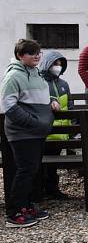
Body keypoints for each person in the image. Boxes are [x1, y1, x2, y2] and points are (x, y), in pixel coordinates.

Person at [0, 39, 55, 227]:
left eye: (38, 52)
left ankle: (26, 206)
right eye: (31, 53)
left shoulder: (37, 74)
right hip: (23, 133)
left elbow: (40, 98)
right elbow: (8, 105)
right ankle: (14, 213)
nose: (37, 56)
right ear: (19, 56)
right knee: (25, 170)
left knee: (32, 170)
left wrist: (52, 101)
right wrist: (32, 123)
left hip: (37, 131)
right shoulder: (13, 76)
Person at [37, 50, 72, 200]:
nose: (57, 66)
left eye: (60, 64)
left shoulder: (64, 84)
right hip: (45, 131)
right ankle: (38, 190)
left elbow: (70, 106)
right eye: (54, 63)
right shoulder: (39, 82)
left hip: (60, 133)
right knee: (40, 163)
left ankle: (52, 189)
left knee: (52, 165)